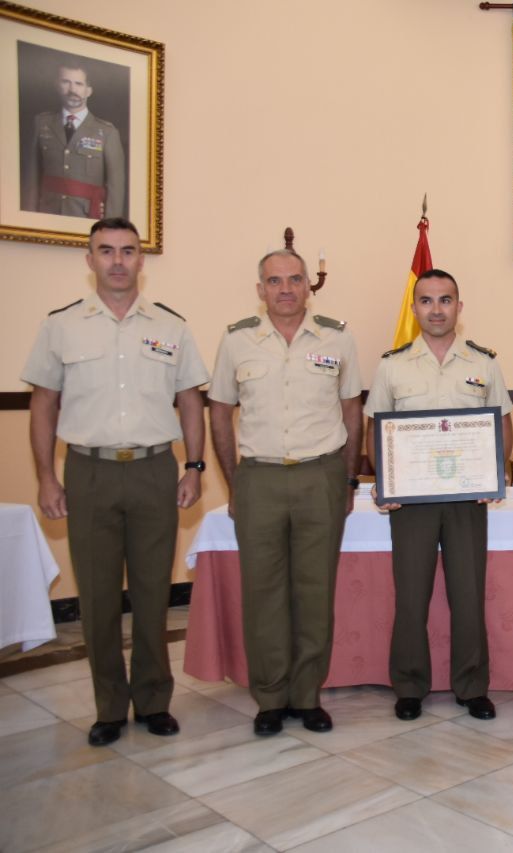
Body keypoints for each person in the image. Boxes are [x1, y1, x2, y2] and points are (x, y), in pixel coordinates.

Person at [22, 217, 207, 747]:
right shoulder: (61, 325)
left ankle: (153, 701)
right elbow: (43, 404)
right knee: (99, 599)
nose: (118, 261)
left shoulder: (171, 326)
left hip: (154, 471)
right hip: (90, 472)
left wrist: (194, 467)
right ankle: (109, 706)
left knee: (153, 595)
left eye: (128, 251)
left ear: (141, 262)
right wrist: (45, 477)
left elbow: (191, 401)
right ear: (89, 260)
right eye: (106, 251)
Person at [208, 249, 362, 737]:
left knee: (316, 591)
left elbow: (352, 410)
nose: (286, 289)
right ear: (260, 289)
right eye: (275, 281)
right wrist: (235, 482)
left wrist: (348, 477)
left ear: (308, 287)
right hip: (261, 478)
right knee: (264, 593)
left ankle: (306, 695)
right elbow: (218, 412)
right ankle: (270, 697)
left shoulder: (338, 337)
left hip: (321, 474)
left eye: (295, 279)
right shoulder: (236, 342)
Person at [365, 269, 513, 722]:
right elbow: (377, 431)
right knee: (411, 596)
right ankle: (410, 686)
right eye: (426, 301)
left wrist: (495, 472)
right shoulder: (392, 364)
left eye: (445, 300)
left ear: (459, 307)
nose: (436, 309)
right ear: (414, 309)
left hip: (467, 500)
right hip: (410, 503)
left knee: (468, 595)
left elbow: (504, 424)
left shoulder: (483, 363)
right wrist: (383, 481)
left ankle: (472, 686)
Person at [21, 63, 126, 219]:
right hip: (47, 217)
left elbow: (116, 188)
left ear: (88, 90)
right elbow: (31, 179)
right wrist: (27, 220)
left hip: (86, 218)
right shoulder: (41, 123)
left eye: (78, 84)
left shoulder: (107, 132)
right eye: (66, 82)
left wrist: (110, 226)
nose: (72, 90)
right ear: (57, 85)